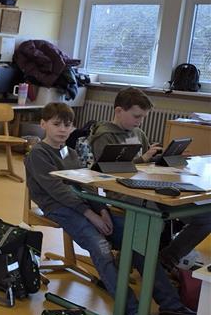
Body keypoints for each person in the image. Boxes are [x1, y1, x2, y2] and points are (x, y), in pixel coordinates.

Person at [25, 102, 195, 315]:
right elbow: (58, 191)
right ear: (43, 124)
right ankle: (133, 313)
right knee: (102, 248)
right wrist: (91, 214)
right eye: (56, 124)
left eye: (67, 125)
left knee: (138, 243)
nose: (62, 130)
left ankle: (173, 306)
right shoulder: (39, 153)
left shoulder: (71, 152)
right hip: (58, 208)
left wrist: (102, 209)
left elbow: (86, 184)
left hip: (84, 205)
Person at [88, 87, 211, 271]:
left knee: (206, 217)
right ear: (119, 111)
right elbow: (109, 169)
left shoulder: (138, 133)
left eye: (143, 117)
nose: (140, 121)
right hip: (123, 192)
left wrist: (166, 158)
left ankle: (166, 259)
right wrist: (143, 159)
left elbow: (145, 164)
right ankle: (130, 263)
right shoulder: (104, 135)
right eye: (137, 116)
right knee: (154, 217)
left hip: (149, 188)